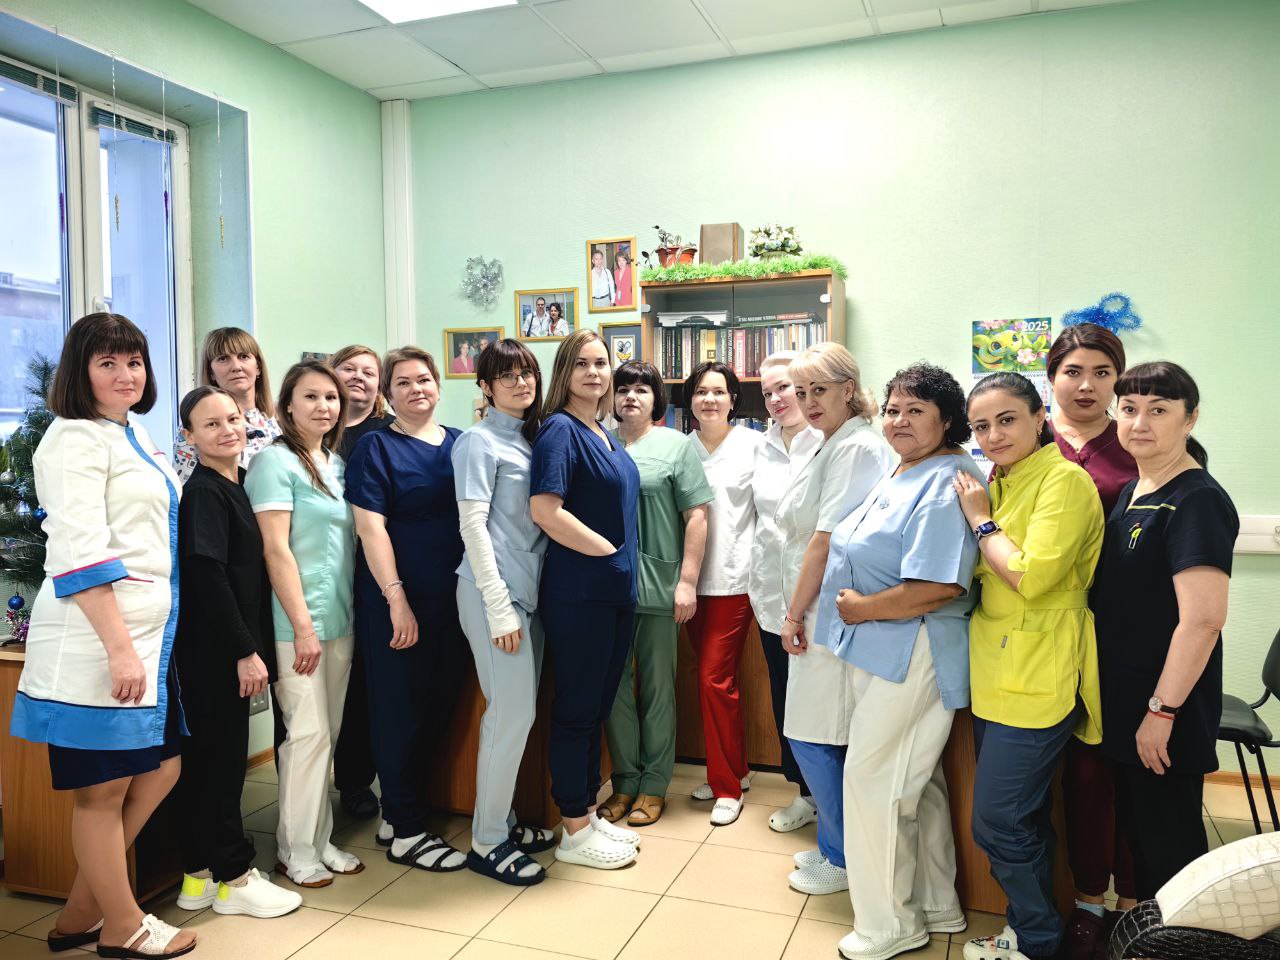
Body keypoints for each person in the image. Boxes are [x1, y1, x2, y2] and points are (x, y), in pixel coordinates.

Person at [10, 312, 197, 959]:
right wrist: (119, 650)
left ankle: (81, 913)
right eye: (107, 363)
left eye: (134, 362)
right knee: (101, 793)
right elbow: (79, 552)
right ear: (79, 371)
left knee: (162, 768)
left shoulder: (130, 432)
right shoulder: (73, 438)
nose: (125, 375)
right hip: (97, 643)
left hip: (146, 637)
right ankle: (122, 926)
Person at [814, 364, 982, 960]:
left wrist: (860, 609)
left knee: (874, 782)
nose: (899, 420)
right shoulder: (906, 468)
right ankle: (935, 903)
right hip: (883, 648)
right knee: (916, 781)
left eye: (915, 411)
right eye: (892, 409)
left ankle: (889, 925)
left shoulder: (949, 479)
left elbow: (939, 585)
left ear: (947, 419)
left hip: (915, 648)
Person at [953, 372, 1104, 960]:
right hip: (996, 667)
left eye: (1007, 419)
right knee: (1024, 816)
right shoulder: (1001, 479)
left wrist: (981, 521)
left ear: (1040, 416)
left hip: (1040, 671)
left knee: (996, 821)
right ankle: (1032, 931)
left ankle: (1037, 938)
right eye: (981, 426)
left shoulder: (1064, 481)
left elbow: (1031, 574)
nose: (993, 435)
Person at [1093, 362, 1237, 901]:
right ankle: (1155, 935)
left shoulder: (1196, 499)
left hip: (1165, 704)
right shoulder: (1136, 489)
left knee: (1171, 850)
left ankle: (1191, 938)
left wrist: (1162, 711)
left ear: (1189, 418)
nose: (1139, 423)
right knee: (1141, 838)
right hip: (1128, 696)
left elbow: (1203, 620)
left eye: (1158, 410)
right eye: (1129, 409)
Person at [172, 386, 302, 921]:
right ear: (189, 437)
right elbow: (208, 577)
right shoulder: (205, 493)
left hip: (226, 648)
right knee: (221, 766)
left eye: (232, 419)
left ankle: (199, 877)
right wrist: (245, 650)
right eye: (211, 424)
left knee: (211, 762)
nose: (228, 430)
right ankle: (235, 878)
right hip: (213, 652)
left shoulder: (241, 482)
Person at [345, 347, 472, 873]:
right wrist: (396, 600)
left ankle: (399, 812)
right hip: (398, 600)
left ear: (438, 385)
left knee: (439, 704)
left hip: (453, 599)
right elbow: (370, 528)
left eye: (423, 379)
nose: (416, 389)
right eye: (402, 382)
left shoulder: (460, 442)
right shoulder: (376, 446)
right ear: (387, 394)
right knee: (400, 709)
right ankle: (406, 831)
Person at [778, 342, 893, 894]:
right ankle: (834, 844)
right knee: (816, 731)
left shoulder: (856, 447)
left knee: (816, 735)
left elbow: (824, 540)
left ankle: (844, 858)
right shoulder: (831, 442)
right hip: (815, 606)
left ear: (849, 388)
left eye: (819, 389)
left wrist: (793, 614)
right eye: (801, 392)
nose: (808, 401)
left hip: (828, 609)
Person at [246, 360, 363, 889]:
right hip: (296, 624)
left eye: (331, 397)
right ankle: (294, 851)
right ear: (287, 406)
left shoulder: (334, 463)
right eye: (311, 397)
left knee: (327, 736)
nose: (324, 406)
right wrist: (303, 627)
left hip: (340, 617)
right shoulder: (274, 462)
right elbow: (275, 550)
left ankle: (319, 839)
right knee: (307, 735)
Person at [1045, 324, 1140, 958]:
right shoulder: (1027, 436)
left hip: (1119, 628)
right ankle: (1083, 899)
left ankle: (1127, 902)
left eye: (1102, 373)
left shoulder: (1135, 439)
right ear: (1051, 377)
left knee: (1113, 767)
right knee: (1068, 773)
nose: (1086, 385)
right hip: (1042, 628)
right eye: (1073, 371)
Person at [530, 329, 642, 868]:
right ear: (564, 373)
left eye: (601, 363)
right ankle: (573, 829)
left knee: (596, 708)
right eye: (581, 364)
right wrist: (607, 553)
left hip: (615, 592)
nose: (594, 372)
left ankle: (590, 814)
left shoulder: (605, 432)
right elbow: (545, 510)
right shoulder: (559, 429)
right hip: (581, 591)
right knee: (577, 710)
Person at [453, 339, 556, 885]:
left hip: (529, 593)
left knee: (518, 714)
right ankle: (487, 841)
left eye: (527, 373)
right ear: (486, 387)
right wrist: (498, 609)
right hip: (493, 594)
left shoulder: (530, 438)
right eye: (507, 376)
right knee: (509, 715)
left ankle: (505, 823)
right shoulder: (478, 441)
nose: (521, 383)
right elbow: (473, 526)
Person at [599, 361, 712, 828]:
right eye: (623, 388)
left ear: (656, 399)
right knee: (614, 691)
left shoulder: (676, 446)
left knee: (659, 689)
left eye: (641, 389)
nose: (630, 396)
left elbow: (697, 516)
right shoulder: (600, 442)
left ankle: (654, 784)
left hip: (659, 587)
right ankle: (625, 782)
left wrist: (687, 581)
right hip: (609, 588)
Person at [684, 361, 764, 826]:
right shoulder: (682, 448)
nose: (709, 399)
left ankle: (727, 788)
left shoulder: (755, 445)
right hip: (689, 584)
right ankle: (736, 769)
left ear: (734, 399)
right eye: (701, 391)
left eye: (718, 391)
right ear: (691, 401)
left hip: (735, 580)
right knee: (719, 682)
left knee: (713, 681)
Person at [749, 352, 822, 833]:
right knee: (785, 699)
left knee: (820, 703)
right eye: (768, 392)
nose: (777, 399)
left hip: (816, 600)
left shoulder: (830, 440)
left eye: (786, 387)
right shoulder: (761, 446)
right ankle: (803, 793)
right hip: (771, 598)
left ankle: (830, 797)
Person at [327, 344, 395, 823]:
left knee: (371, 683)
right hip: (328, 572)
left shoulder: (389, 432)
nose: (358, 377)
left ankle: (368, 780)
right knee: (338, 686)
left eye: (369, 371)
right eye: (348, 368)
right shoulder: (316, 433)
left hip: (377, 571)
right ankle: (347, 781)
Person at [173, 327, 280, 484]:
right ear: (210, 372)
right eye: (223, 359)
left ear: (258, 367)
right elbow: (188, 491)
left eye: (243, 356)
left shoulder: (274, 420)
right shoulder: (194, 429)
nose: (236, 367)